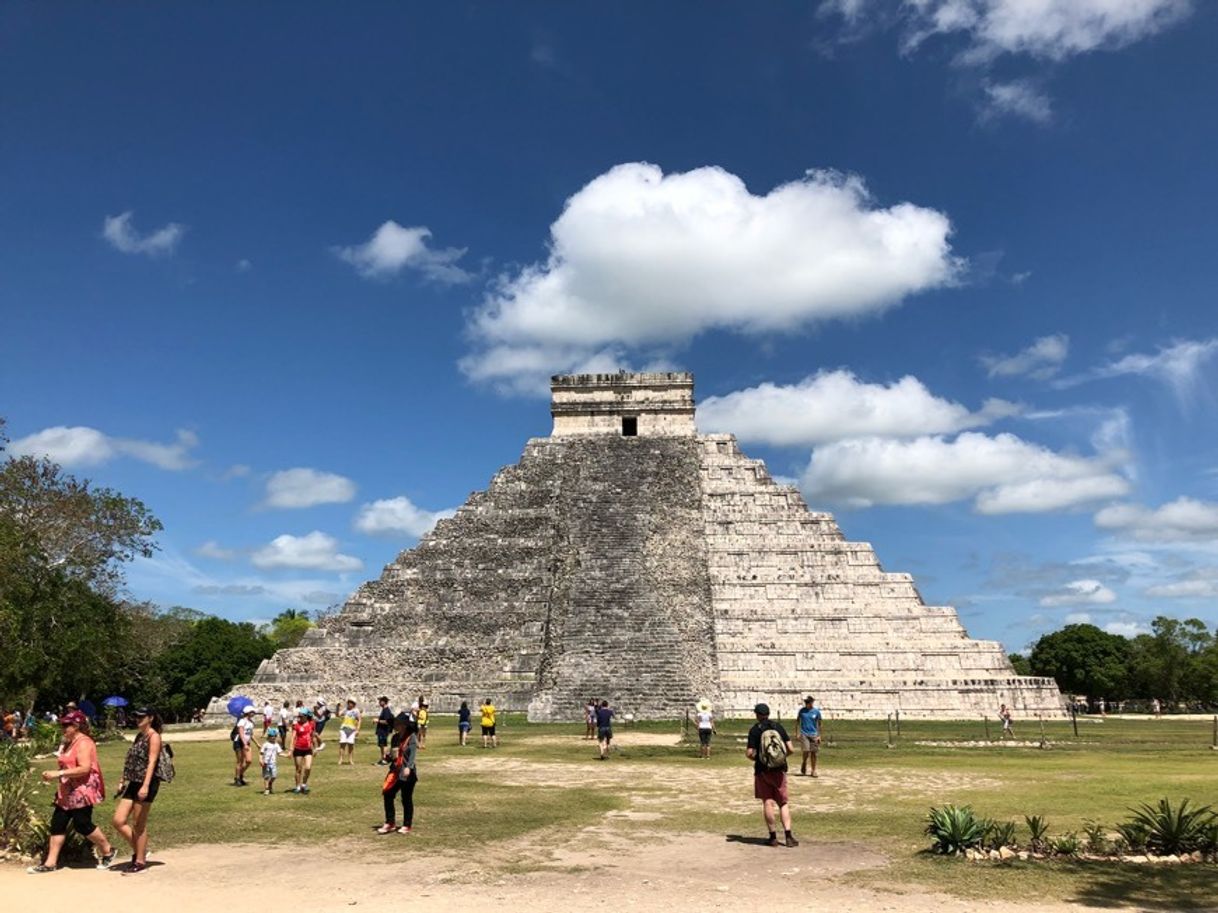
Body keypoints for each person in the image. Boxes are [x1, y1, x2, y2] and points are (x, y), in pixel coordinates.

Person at [28, 710, 117, 873]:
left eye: (66, 725)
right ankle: (50, 863)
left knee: (82, 824)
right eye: (62, 725)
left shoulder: (84, 742)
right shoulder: (69, 742)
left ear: (76, 726)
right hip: (66, 791)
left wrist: (58, 773)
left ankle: (108, 850)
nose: (63, 728)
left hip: (81, 791)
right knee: (57, 824)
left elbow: (84, 768)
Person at [113, 708, 171, 875]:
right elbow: (130, 759)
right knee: (118, 820)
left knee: (138, 823)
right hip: (134, 782)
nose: (138, 719)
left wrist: (145, 786)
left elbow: (152, 762)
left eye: (141, 717)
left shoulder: (154, 737)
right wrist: (122, 779)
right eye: (136, 716)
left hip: (147, 782)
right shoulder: (139, 736)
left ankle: (139, 861)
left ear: (150, 718)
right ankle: (141, 850)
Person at [746, 703, 798, 848]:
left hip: (762, 770)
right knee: (783, 803)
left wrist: (759, 759)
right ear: (769, 713)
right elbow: (791, 749)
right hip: (780, 770)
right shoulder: (778, 727)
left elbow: (749, 753)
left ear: (757, 715)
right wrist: (780, 758)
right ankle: (788, 836)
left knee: (768, 802)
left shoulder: (755, 730)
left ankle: (773, 837)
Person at [377, 714, 419, 835]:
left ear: (405, 725)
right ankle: (390, 822)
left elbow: (412, 754)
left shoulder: (411, 737)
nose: (396, 725)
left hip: (407, 772)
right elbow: (394, 754)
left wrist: (409, 767)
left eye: (398, 723)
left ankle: (407, 824)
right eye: (395, 723)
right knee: (388, 793)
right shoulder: (395, 737)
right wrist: (387, 757)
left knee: (406, 799)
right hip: (395, 771)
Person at [290, 707, 319, 793]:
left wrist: (315, 747)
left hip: (308, 749)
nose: (300, 718)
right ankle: (298, 786)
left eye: (301, 716)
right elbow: (293, 737)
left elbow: (312, 736)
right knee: (298, 769)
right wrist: (291, 749)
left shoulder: (311, 724)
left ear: (306, 716)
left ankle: (304, 784)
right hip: (298, 749)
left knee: (308, 767)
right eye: (299, 716)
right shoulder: (296, 725)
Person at [796, 696, 823, 776]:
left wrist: (819, 735)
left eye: (810, 702)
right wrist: (797, 733)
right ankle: (804, 762)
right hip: (804, 733)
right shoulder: (802, 711)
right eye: (808, 702)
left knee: (814, 752)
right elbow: (797, 722)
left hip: (814, 734)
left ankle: (813, 770)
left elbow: (820, 724)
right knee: (806, 751)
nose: (809, 704)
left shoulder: (816, 712)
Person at [233, 705, 259, 786]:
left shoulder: (251, 723)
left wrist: (257, 743)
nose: (253, 713)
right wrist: (244, 744)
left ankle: (240, 775)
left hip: (246, 743)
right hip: (239, 742)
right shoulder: (242, 721)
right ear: (248, 712)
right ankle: (238, 778)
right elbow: (241, 733)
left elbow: (250, 734)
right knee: (240, 762)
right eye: (252, 712)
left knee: (248, 761)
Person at [337, 698, 361, 765]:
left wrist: (358, 729)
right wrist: (337, 707)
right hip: (344, 729)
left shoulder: (356, 711)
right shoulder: (345, 709)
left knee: (351, 745)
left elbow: (359, 720)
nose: (349, 704)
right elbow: (338, 715)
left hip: (352, 730)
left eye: (351, 702)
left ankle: (350, 760)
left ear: (354, 704)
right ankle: (341, 759)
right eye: (349, 702)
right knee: (342, 744)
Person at [261, 728, 282, 794]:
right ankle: (266, 789)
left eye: (274, 736)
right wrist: (260, 760)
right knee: (266, 776)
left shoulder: (276, 745)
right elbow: (261, 753)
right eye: (271, 736)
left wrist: (287, 755)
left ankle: (270, 784)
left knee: (274, 776)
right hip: (266, 763)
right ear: (268, 737)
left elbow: (279, 753)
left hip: (273, 763)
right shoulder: (265, 744)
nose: (273, 738)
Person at [374, 696, 393, 765]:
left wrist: (377, 721)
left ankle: (384, 759)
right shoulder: (384, 710)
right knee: (381, 745)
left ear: (384, 702)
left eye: (380, 701)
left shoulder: (386, 710)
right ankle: (382, 758)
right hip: (381, 730)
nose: (379, 703)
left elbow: (387, 721)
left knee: (384, 744)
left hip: (383, 731)